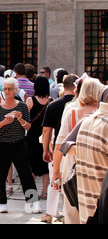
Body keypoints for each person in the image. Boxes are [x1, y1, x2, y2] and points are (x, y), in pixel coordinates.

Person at [52, 77, 104, 224]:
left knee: (72, 213)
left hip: (72, 168)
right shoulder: (103, 115)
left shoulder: (72, 112)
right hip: (96, 167)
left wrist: (56, 173)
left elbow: (59, 145)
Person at [0, 78, 41, 214]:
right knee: (0, 175)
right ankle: (2, 202)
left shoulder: (22, 106)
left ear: (15, 91)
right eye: (5, 89)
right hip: (1, 145)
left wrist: (20, 118)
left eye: (9, 89)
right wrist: (4, 122)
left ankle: (33, 201)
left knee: (26, 175)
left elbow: (29, 127)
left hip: (19, 144)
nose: (7, 91)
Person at [40, 73, 78, 222]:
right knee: (72, 181)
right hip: (74, 149)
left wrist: (45, 149)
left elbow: (46, 130)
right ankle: (68, 214)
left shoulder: (53, 105)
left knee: (54, 180)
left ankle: (50, 213)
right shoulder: (80, 105)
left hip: (57, 147)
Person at [25, 76, 52, 200]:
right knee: (45, 165)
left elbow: (25, 119)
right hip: (46, 136)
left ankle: (31, 194)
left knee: (31, 165)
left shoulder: (30, 100)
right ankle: (45, 191)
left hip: (31, 136)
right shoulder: (51, 101)